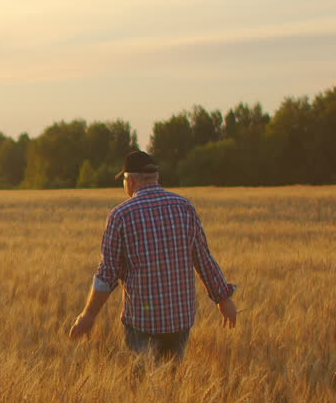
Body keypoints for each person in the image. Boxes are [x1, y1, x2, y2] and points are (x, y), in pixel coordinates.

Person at [68, 150, 237, 362]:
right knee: (173, 382)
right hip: (180, 319)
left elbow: (108, 273)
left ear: (130, 180)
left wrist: (89, 315)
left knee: (143, 383)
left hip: (142, 321)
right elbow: (203, 258)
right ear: (156, 178)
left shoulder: (121, 215)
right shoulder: (184, 207)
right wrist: (223, 298)